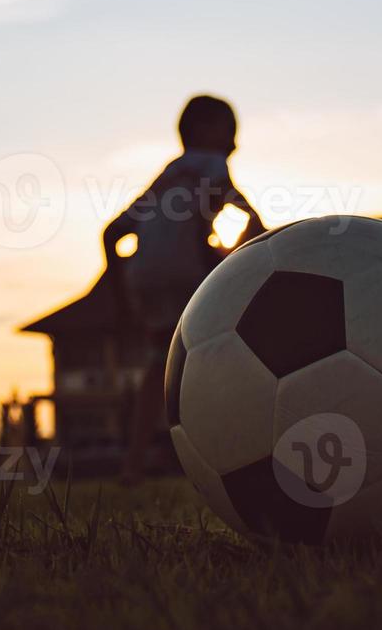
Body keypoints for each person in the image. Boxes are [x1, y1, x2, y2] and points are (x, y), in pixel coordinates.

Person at [105, 95, 264, 483]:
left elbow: (112, 233)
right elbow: (246, 215)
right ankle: (228, 458)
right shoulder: (211, 163)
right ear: (204, 130)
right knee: (224, 356)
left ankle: (134, 465)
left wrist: (121, 293)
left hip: (144, 277)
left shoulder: (167, 176)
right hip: (188, 271)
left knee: (160, 361)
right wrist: (236, 257)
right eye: (230, 132)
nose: (235, 144)